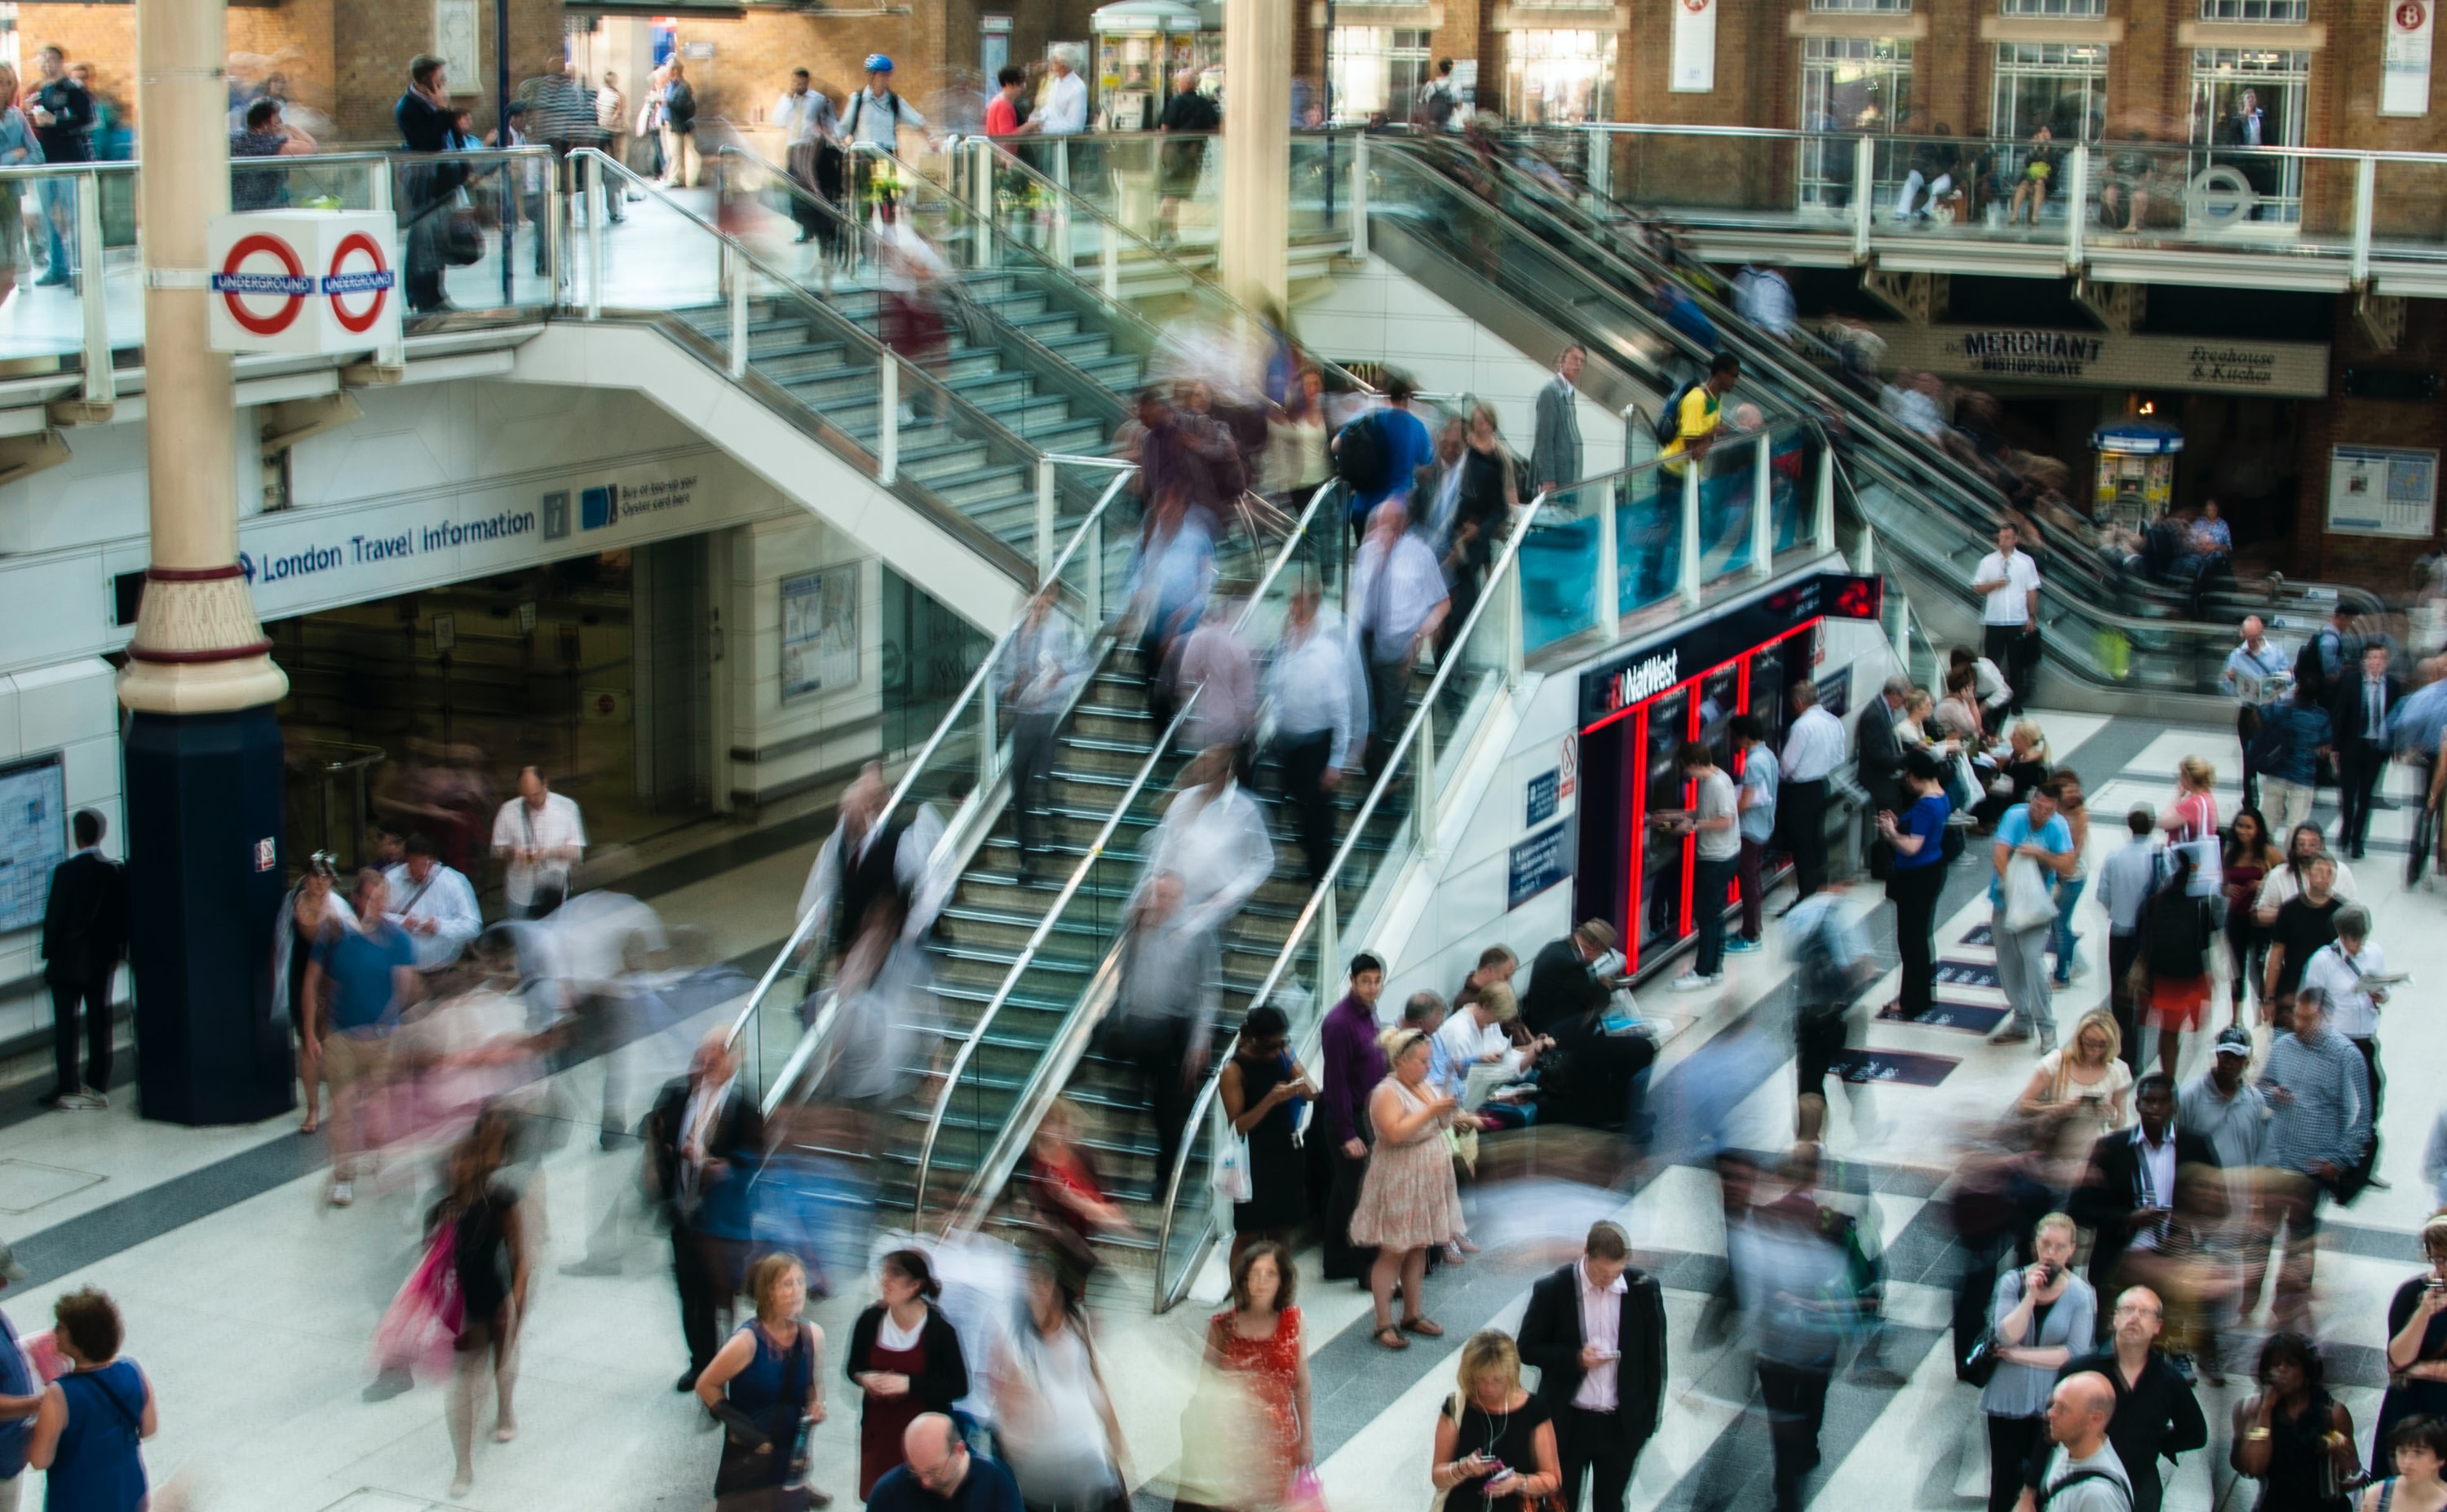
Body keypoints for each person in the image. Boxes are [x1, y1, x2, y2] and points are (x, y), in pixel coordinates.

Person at [1516, 1221, 1666, 1512]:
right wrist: (1575, 1358)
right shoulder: (1553, 1290)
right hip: (1567, 1421)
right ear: (1586, 1253)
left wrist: (1647, 1421)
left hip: (1620, 1424)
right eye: (1601, 1273)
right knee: (1560, 1503)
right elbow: (1527, 1348)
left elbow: (1655, 1361)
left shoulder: (1643, 1291)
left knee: (1611, 1504)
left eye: (1616, 1273)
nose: (1608, 1280)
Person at [647, 1032, 765, 1391]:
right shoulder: (678, 1096)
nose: (710, 1059)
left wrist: (722, 1168)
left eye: (720, 1052)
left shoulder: (743, 1109)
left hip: (720, 1225)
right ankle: (699, 1362)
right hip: (683, 1216)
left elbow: (755, 1161)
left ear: (734, 1059)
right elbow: (654, 1131)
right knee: (689, 1293)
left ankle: (724, 1367)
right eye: (705, 1052)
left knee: (720, 1297)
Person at [2021, 1289, 2206, 1512]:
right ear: (2114, 1319)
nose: (2135, 1317)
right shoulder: (2080, 1370)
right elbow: (2047, 1432)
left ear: (2158, 1327)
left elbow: (2196, 1434)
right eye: (2128, 1309)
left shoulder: (2168, 1380)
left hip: (2139, 1487)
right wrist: (2028, 1494)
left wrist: (2158, 1442)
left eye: (2145, 1312)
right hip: (2079, 1484)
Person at [304, 869, 422, 1206]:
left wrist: (393, 1023)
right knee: (341, 1109)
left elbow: (405, 987)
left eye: (383, 898)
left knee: (379, 1109)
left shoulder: (397, 939)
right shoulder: (336, 935)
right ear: (357, 898)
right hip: (342, 1036)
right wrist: (312, 1032)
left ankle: (377, 1153)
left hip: (384, 1039)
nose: (378, 904)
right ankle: (343, 1177)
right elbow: (311, 981)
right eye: (371, 897)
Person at [2259, 989, 2370, 1328]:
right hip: (2276, 1158)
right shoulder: (2282, 1047)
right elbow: (2262, 1084)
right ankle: (2247, 1296)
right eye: (2297, 1016)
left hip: (2311, 1167)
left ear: (2326, 1018)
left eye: (2308, 1018)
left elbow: (2361, 1116)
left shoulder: (2346, 1057)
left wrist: (2340, 1158)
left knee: (2300, 1237)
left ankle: (2288, 1304)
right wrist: (2272, 1094)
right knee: (2260, 1233)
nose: (2300, 1024)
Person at [1104, 871, 1219, 1196]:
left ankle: (1166, 1177)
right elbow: (1124, 974)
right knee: (1127, 1101)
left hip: (1174, 1029)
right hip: (1138, 1025)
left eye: (1169, 896)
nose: (1162, 902)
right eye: (1158, 895)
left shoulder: (1195, 931)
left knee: (1168, 1110)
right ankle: (1119, 1175)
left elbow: (1208, 988)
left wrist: (1200, 1040)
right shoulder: (1137, 926)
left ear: (1181, 898)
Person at [1351, 1027, 1464, 1349]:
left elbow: (1439, 1122)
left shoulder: (1424, 1084)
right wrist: (1432, 1110)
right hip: (1401, 1177)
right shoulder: (1386, 1092)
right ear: (1400, 1061)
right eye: (1422, 1061)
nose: (1428, 1067)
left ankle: (1412, 1313)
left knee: (1418, 1246)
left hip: (1427, 1176)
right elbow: (1394, 1134)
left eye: (1429, 1061)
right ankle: (1383, 1321)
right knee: (1393, 1250)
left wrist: (1450, 1109)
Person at [435, 1114, 529, 1497]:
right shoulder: (443, 1209)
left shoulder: (500, 1200)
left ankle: (505, 1407)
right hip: (461, 1305)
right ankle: (463, 1464)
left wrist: (517, 1302)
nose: (457, 1166)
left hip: (493, 1295)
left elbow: (519, 1257)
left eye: (464, 1159)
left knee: (501, 1362)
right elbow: (432, 1266)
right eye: (453, 1161)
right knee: (462, 1382)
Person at [991, 1253, 1126, 1512]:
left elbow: (1093, 1379)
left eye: (1043, 1282)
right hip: (1036, 1456)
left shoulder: (1077, 1323)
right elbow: (1003, 1394)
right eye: (1030, 1284)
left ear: (1057, 1287)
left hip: (1079, 1447)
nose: (1036, 1291)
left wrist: (1113, 1430)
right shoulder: (1011, 1332)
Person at [1980, 1214, 2098, 1512]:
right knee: (2004, 1482)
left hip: (2052, 1403)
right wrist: (2031, 1296)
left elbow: (2073, 1352)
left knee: (2043, 1483)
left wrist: (2019, 1356)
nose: (2051, 1253)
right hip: (2008, 1397)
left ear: (2072, 1249)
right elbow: (2007, 1335)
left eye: (2060, 1247)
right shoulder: (2012, 1282)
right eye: (2046, 1244)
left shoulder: (2081, 1295)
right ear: (2036, 1244)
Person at [1184, 1241, 1312, 1511]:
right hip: (1232, 1440)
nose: (1261, 1282)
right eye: (1254, 1274)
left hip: (1278, 1440)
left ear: (1283, 1280)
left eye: (1270, 1274)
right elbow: (1205, 1389)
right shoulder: (1223, 1326)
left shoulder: (1294, 1320)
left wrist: (1306, 1439)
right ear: (1243, 1280)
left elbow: (1301, 1384)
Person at [2069, 1075, 2219, 1305]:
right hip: (2120, 1263)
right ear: (2136, 1104)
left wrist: (2189, 1230)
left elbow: (2218, 1203)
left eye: (2162, 1102)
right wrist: (2128, 1219)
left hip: (2175, 1264)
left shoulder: (2195, 1147)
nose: (2154, 1108)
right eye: (2148, 1101)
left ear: (2174, 1105)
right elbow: (2080, 1208)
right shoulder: (2112, 1149)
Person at [698, 1252, 826, 1512]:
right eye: (787, 1284)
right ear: (768, 1291)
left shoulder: (813, 1335)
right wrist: (745, 1430)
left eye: (801, 1282)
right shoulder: (746, 1342)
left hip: (789, 1459)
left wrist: (816, 1404)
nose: (797, 1291)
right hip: (748, 1462)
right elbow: (705, 1385)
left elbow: (814, 1386)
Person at [847, 1250, 971, 1501]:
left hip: (923, 1441)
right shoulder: (870, 1320)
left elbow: (959, 1386)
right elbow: (853, 1368)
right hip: (879, 1432)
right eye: (884, 1273)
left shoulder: (939, 1330)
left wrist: (909, 1385)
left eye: (895, 1274)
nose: (885, 1281)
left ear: (915, 1285)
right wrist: (864, 1379)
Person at [1264, 581, 1364, 889]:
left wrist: (1336, 761)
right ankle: (1311, 865)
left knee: (1318, 815)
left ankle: (1323, 876)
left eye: (1299, 604)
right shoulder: (1287, 645)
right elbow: (1277, 689)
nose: (1293, 610)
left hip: (1317, 744)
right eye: (1292, 603)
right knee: (1296, 808)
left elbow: (1341, 710)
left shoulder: (1327, 651)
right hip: (1289, 741)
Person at [24, 1286, 153, 1510]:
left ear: (79, 1337)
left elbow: (40, 1459)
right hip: (127, 1487)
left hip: (79, 1496)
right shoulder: (133, 1370)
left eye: (61, 1327)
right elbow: (149, 1427)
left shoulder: (59, 1394)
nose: (54, 1332)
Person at [1351, 498, 1449, 776]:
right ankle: (1380, 776)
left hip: (1401, 644)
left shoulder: (1419, 554)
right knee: (1368, 714)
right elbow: (1357, 596)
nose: (1382, 530)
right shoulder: (1367, 551)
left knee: (1388, 716)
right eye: (1379, 523)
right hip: (1366, 640)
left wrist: (1420, 635)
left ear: (1402, 524)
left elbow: (1442, 603)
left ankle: (1387, 776)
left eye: (1389, 523)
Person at [38, 807, 126, 1112]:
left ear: (77, 835)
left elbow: (54, 920)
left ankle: (68, 1085)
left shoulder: (65, 873)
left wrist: (48, 953)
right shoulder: (113, 872)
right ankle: (97, 1083)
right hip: (101, 962)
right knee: (99, 1021)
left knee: (66, 1025)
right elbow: (120, 919)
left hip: (67, 962)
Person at [1220, 1005, 1316, 1270]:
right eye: (1273, 1044)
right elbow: (1238, 1125)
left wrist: (1295, 1067)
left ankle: (1280, 1300)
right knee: (1248, 1233)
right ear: (1256, 1039)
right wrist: (1270, 1100)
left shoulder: (1283, 1056)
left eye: (1282, 1042)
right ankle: (1242, 1304)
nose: (1278, 1049)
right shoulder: (1234, 1070)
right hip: (1252, 1159)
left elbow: (1312, 1093)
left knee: (1281, 1230)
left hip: (1284, 1152)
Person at [1427, 1330, 1563, 1512]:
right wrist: (1463, 1468)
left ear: (1511, 1374)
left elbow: (1552, 1479)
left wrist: (1518, 1483)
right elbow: (1438, 1476)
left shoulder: (1534, 1410)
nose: (1489, 1388)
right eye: (1481, 1380)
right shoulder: (1456, 1407)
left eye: (1497, 1380)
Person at [1992, 776, 2081, 1049]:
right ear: (2032, 799)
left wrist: (2041, 854)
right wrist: (2013, 888)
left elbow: (2067, 865)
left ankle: (2046, 1025)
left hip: (2035, 908)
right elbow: (2000, 854)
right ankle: (2021, 1018)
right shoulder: (2015, 816)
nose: (2040, 813)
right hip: (2005, 903)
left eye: (2047, 810)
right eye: (2037, 806)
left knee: (2034, 962)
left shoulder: (2057, 827)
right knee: (2008, 965)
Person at [1319, 952, 1390, 1283]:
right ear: (1352, 981)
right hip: (1348, 1117)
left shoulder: (1368, 1013)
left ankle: (1335, 1263)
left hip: (1367, 1112)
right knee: (1360, 1196)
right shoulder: (1339, 1023)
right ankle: (1368, 1271)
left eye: (1377, 981)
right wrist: (1348, 1132)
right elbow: (1336, 1082)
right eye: (1366, 981)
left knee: (1342, 1190)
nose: (1372, 988)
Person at [1003, 584, 1082, 879]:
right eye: (1032, 609)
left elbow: (1071, 671)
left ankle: (1056, 830)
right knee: (1020, 788)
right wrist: (1010, 689)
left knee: (1045, 779)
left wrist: (1052, 685)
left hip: (1047, 718)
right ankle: (1027, 856)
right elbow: (998, 678)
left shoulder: (1055, 637)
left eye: (1041, 609)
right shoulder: (1012, 641)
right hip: (1023, 721)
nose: (1037, 614)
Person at [2232, 1332, 2359, 1512]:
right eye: (2275, 1365)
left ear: (2306, 1370)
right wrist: (2266, 1409)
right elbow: (2253, 1467)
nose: (2282, 1370)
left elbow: (2351, 1472)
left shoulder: (2332, 1414)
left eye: (2290, 1364)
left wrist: (2342, 1458)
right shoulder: (2256, 1411)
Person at [1650, 741, 1741, 990]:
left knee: (1706, 916)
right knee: (1714, 915)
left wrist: (1694, 827)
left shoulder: (1717, 784)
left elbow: (1725, 820)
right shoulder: (1712, 781)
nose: (1685, 773)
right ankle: (1713, 969)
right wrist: (1672, 815)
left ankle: (1702, 971)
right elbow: (1702, 811)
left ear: (1696, 764)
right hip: (1721, 857)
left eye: (1686, 767)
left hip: (1717, 859)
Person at [1878, 750, 1954, 1019]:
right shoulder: (1941, 796)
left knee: (1910, 940)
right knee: (1920, 938)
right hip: (1932, 870)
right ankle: (1919, 995)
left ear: (1913, 775)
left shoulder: (1926, 805)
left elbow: (1911, 846)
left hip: (1916, 876)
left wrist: (1890, 833)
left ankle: (1912, 1000)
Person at [2094, 805, 2164, 1073]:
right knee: (2147, 994)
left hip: (2121, 932)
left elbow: (2103, 895)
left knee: (2122, 999)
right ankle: (2146, 1049)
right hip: (2151, 936)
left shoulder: (2115, 856)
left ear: (2129, 826)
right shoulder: (2160, 855)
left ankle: (2126, 1056)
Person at [2136, 848, 2215, 1079]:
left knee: (2170, 1032)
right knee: (2193, 1031)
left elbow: (2145, 942)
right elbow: (2208, 943)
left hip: (2165, 978)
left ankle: (2170, 1079)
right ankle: (2185, 1078)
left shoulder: (2154, 902)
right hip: (2190, 978)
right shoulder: (2200, 903)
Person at [2378, 1218, 2447, 1450]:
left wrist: (2425, 1370)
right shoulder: (2411, 1293)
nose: (2444, 1267)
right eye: (2439, 1259)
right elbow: (2397, 1361)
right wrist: (2424, 1313)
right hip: (2410, 1405)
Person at [865, 1413, 1021, 1512]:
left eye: (933, 1471)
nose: (925, 1481)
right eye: (915, 1470)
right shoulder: (887, 1493)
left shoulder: (996, 1480)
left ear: (959, 1450)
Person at [26, 46, 89, 290]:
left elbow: (86, 120)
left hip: (69, 162)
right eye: (42, 59)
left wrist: (56, 122)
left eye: (51, 59)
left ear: (61, 62)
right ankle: (57, 268)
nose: (46, 63)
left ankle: (80, 268)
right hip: (47, 162)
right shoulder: (42, 91)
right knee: (47, 218)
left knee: (74, 218)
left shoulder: (73, 90)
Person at [1780, 678, 1847, 905]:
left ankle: (1807, 895)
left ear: (1799, 702)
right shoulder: (1832, 721)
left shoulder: (1802, 726)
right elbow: (1839, 757)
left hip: (1800, 792)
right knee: (1818, 840)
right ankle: (1821, 886)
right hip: (1822, 786)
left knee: (1802, 845)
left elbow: (1787, 765)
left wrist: (1783, 778)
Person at [2334, 645, 2403, 860]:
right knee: (2347, 794)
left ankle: (2358, 839)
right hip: (2351, 746)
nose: (2376, 662)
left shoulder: (2392, 686)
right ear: (2364, 660)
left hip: (2376, 748)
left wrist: (2395, 747)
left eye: (2380, 658)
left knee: (2366, 796)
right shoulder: (2351, 682)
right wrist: (2335, 747)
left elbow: (2396, 718)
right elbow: (2339, 714)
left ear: (2386, 661)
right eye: (2372, 657)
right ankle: (2346, 830)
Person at [2017, 1009, 2134, 1137]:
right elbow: (2024, 1106)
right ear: (2080, 1039)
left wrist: (2111, 1113)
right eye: (2090, 1043)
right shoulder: (2057, 1061)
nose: (2094, 1050)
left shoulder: (2118, 1071)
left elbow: (2120, 1122)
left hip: (2093, 1146)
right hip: (2054, 1141)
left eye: (2101, 1045)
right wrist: (2059, 1109)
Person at [2030, 1372, 2135, 1512]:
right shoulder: (2066, 1446)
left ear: (2095, 1419)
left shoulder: (2099, 1495)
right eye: (2053, 1405)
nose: (2049, 1414)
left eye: (2063, 1409)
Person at [490, 767, 584, 919]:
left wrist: (548, 853)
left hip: (553, 892)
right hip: (520, 894)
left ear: (545, 783)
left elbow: (576, 851)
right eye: (526, 796)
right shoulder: (507, 811)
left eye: (536, 794)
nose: (532, 800)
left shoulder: (567, 807)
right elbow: (497, 849)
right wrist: (513, 853)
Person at [383, 831, 483, 971]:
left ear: (434, 861)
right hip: (400, 965)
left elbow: (473, 925)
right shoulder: (391, 879)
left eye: (425, 865)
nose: (420, 872)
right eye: (413, 865)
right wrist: (401, 922)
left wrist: (438, 926)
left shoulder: (454, 881)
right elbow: (376, 916)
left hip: (441, 964)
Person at [1973, 521, 2043, 716]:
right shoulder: (1988, 561)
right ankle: (1989, 699)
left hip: (2016, 620)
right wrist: (1995, 584)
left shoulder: (2025, 562)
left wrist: (2031, 617)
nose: (2002, 541)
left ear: (2015, 539)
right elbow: (1978, 587)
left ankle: (2016, 702)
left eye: (2007, 537)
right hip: (1994, 620)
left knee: (2016, 664)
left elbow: (2031, 590)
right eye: (2001, 537)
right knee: (1991, 662)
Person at [2263, 851, 2345, 1016]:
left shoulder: (2342, 912)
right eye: (2319, 872)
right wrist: (2269, 998)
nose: (2324, 877)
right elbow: (2276, 955)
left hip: (2329, 993)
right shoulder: (2290, 909)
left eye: (2330, 873)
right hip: (2292, 988)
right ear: (2308, 873)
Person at [2223, 809, 2283, 1026]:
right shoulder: (2231, 853)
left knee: (2259, 968)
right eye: (2240, 826)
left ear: (2258, 829)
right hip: (2236, 918)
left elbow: (2284, 876)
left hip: (2260, 920)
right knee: (2236, 969)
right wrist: (2228, 890)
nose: (2243, 831)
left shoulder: (2269, 853)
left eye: (2249, 827)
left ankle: (2261, 1016)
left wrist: (2264, 884)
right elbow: (2222, 884)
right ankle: (2235, 1020)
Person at [2256, 679, 2334, 843]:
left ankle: (2263, 855)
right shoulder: (2321, 716)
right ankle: (2291, 861)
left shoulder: (2280, 708)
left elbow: (2261, 714)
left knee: (2268, 820)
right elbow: (2325, 747)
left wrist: (2274, 696)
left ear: (2297, 689)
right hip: (2303, 776)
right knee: (2296, 824)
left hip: (2276, 771)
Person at [2226, 617, 2292, 808]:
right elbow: (2227, 687)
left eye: (2255, 637)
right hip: (2249, 710)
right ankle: (2250, 799)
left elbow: (2288, 678)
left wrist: (2281, 680)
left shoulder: (2275, 652)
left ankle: (2279, 800)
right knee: (2248, 756)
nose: (2252, 642)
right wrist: (2230, 679)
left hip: (2272, 709)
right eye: (2249, 638)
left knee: (2276, 754)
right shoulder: (2237, 654)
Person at [1733, 714, 1783, 953]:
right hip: (1764, 826)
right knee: (1753, 879)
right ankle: (1752, 928)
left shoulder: (1753, 763)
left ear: (1743, 737)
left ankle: (1750, 934)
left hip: (1750, 830)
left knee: (1748, 882)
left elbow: (1746, 801)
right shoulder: (1769, 755)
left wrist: (1723, 811)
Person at [775, 69, 839, 246]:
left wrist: (828, 136)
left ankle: (817, 228)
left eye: (801, 83)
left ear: (807, 82)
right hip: (793, 147)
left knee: (811, 192)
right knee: (795, 192)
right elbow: (778, 121)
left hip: (811, 150)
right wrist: (788, 99)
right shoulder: (787, 100)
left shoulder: (818, 100)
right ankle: (804, 228)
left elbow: (830, 122)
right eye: (795, 82)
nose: (798, 86)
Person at [1153, 68, 1216, 245]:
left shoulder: (1176, 102)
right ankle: (1169, 231)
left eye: (1180, 82)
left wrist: (1161, 150)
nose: (1178, 85)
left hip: (1173, 153)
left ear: (1185, 84)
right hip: (1193, 154)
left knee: (1171, 194)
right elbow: (1216, 126)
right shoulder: (1205, 104)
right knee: (1175, 194)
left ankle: (1161, 227)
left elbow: (1165, 127)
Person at [1531, 345, 1585, 496]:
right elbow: (1544, 440)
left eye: (1582, 361)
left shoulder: (1567, 393)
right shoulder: (1550, 392)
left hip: (1569, 478)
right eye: (1575, 359)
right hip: (1556, 481)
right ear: (1562, 361)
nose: (1579, 364)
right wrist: (1548, 479)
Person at [2361, 1417, 2447, 1512]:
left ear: (2440, 1458)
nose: (2407, 1461)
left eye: (2418, 1453)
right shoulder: (2377, 1495)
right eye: (2402, 1452)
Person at [1032, 49, 1089, 137]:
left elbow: (1075, 126)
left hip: (1068, 143)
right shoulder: (1056, 81)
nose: (1052, 62)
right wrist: (1036, 120)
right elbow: (1050, 108)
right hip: (1049, 140)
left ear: (1064, 63)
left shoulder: (1077, 88)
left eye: (1055, 60)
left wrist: (1045, 127)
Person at [660, 61, 697, 186]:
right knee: (672, 153)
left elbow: (680, 105)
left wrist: (666, 101)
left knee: (676, 153)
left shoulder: (683, 86)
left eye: (667, 69)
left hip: (678, 124)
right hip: (669, 124)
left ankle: (676, 179)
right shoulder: (671, 85)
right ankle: (673, 177)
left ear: (674, 70)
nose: (665, 72)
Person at [982, 65, 1028, 136]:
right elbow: (1007, 137)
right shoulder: (1003, 105)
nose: (1023, 87)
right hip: (1001, 147)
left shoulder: (1000, 101)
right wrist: (1028, 126)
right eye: (1019, 83)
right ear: (1008, 84)